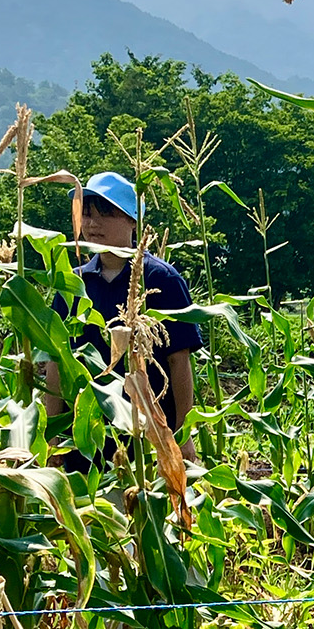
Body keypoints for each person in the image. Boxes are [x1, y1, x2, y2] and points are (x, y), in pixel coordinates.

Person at [43, 171, 205, 465]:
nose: (92, 224)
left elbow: (179, 362)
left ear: (133, 219)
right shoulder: (72, 283)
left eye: (106, 213)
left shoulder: (161, 280)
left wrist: (183, 434)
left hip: (151, 438)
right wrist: (51, 433)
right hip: (83, 442)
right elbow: (57, 363)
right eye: (87, 213)